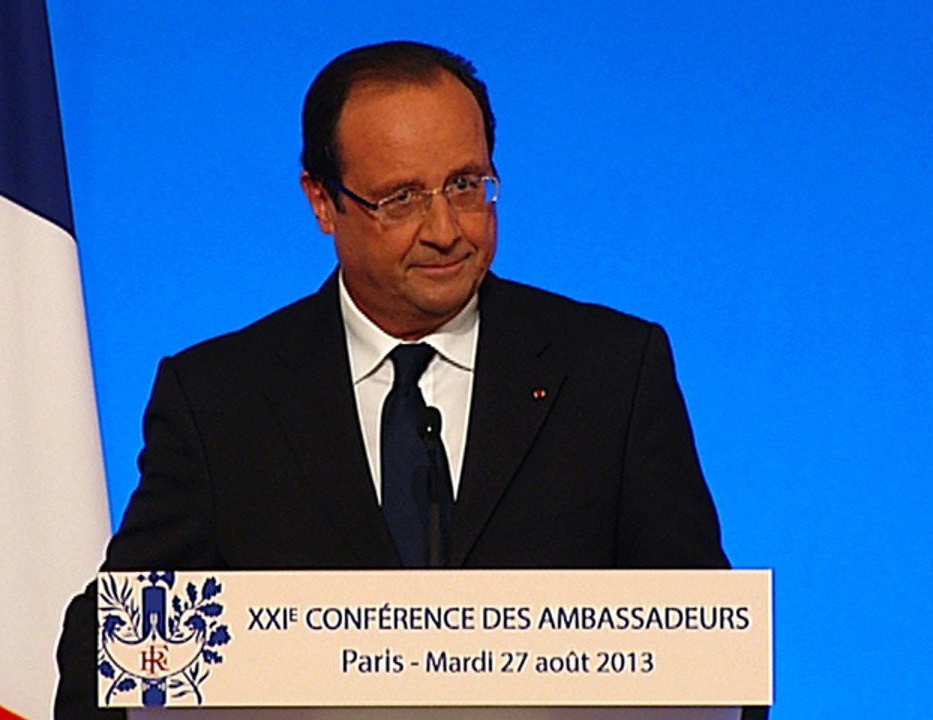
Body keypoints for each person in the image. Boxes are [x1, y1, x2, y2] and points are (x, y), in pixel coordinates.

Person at [56, 41, 747, 719]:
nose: (445, 230)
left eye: (465, 185)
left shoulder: (610, 372)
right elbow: (110, 652)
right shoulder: (219, 400)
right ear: (322, 201)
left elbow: (710, 650)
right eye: (401, 198)